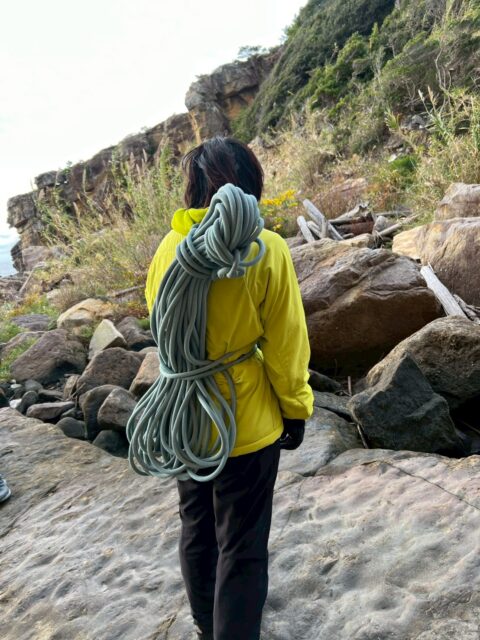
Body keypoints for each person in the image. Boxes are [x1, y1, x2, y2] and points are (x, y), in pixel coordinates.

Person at [144, 136, 313, 640]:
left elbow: (161, 328)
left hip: (184, 419)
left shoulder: (168, 249)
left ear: (192, 187)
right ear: (250, 182)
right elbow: (286, 345)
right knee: (241, 546)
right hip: (246, 425)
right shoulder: (265, 249)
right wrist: (296, 409)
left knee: (197, 529)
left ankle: (205, 627)